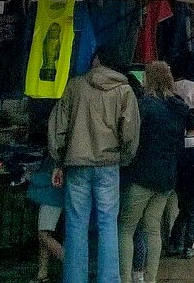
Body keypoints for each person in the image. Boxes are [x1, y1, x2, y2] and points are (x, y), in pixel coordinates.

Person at [50, 49, 142, 283]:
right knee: (108, 224)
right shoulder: (125, 91)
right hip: (109, 166)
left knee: (76, 225)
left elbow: (58, 127)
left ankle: (74, 279)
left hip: (77, 164)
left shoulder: (75, 86)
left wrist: (58, 160)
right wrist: (124, 159)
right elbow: (130, 134)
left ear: (97, 61)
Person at [118, 61, 194, 283]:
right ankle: (150, 278)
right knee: (153, 229)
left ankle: (125, 279)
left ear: (148, 78)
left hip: (142, 175)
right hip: (167, 177)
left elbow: (132, 139)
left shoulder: (144, 106)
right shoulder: (179, 108)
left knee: (126, 228)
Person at [167, 53, 194, 259]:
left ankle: (174, 240)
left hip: (176, 145)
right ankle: (189, 242)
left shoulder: (169, 88)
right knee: (192, 209)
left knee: (178, 205)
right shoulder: (190, 87)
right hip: (193, 147)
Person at [28, 156, 66, 283]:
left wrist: (29, 175)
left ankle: (72, 264)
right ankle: (42, 274)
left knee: (43, 235)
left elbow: (48, 178)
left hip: (51, 196)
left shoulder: (54, 157)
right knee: (44, 235)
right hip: (54, 195)